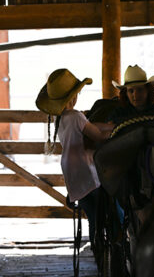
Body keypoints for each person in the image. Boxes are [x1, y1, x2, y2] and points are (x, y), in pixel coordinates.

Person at [35, 69, 111, 226]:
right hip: (85, 167)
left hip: (70, 168)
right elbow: (97, 135)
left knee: (91, 217)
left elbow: (87, 126)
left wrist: (106, 126)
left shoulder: (60, 117)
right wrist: (116, 130)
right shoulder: (77, 116)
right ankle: (106, 243)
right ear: (73, 96)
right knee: (101, 212)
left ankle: (95, 245)